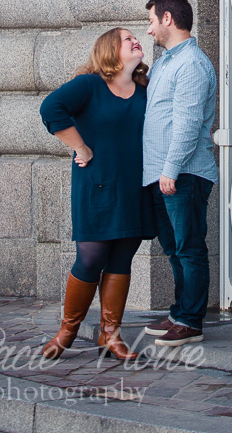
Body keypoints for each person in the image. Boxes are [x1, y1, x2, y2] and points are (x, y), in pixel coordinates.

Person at [39, 28, 155, 360]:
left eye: (136, 37)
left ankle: (111, 335)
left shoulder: (145, 89)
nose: (136, 41)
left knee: (121, 258)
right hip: (97, 186)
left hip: (135, 186)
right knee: (90, 258)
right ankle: (67, 332)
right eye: (126, 39)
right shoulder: (89, 85)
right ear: (109, 50)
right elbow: (51, 109)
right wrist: (81, 147)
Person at [142, 0, 218, 347]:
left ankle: (191, 321)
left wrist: (171, 170)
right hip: (163, 174)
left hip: (183, 175)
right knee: (173, 248)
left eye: (152, 21)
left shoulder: (192, 64)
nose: (149, 29)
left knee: (189, 248)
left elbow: (187, 124)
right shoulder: (164, 63)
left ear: (168, 19)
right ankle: (178, 312)